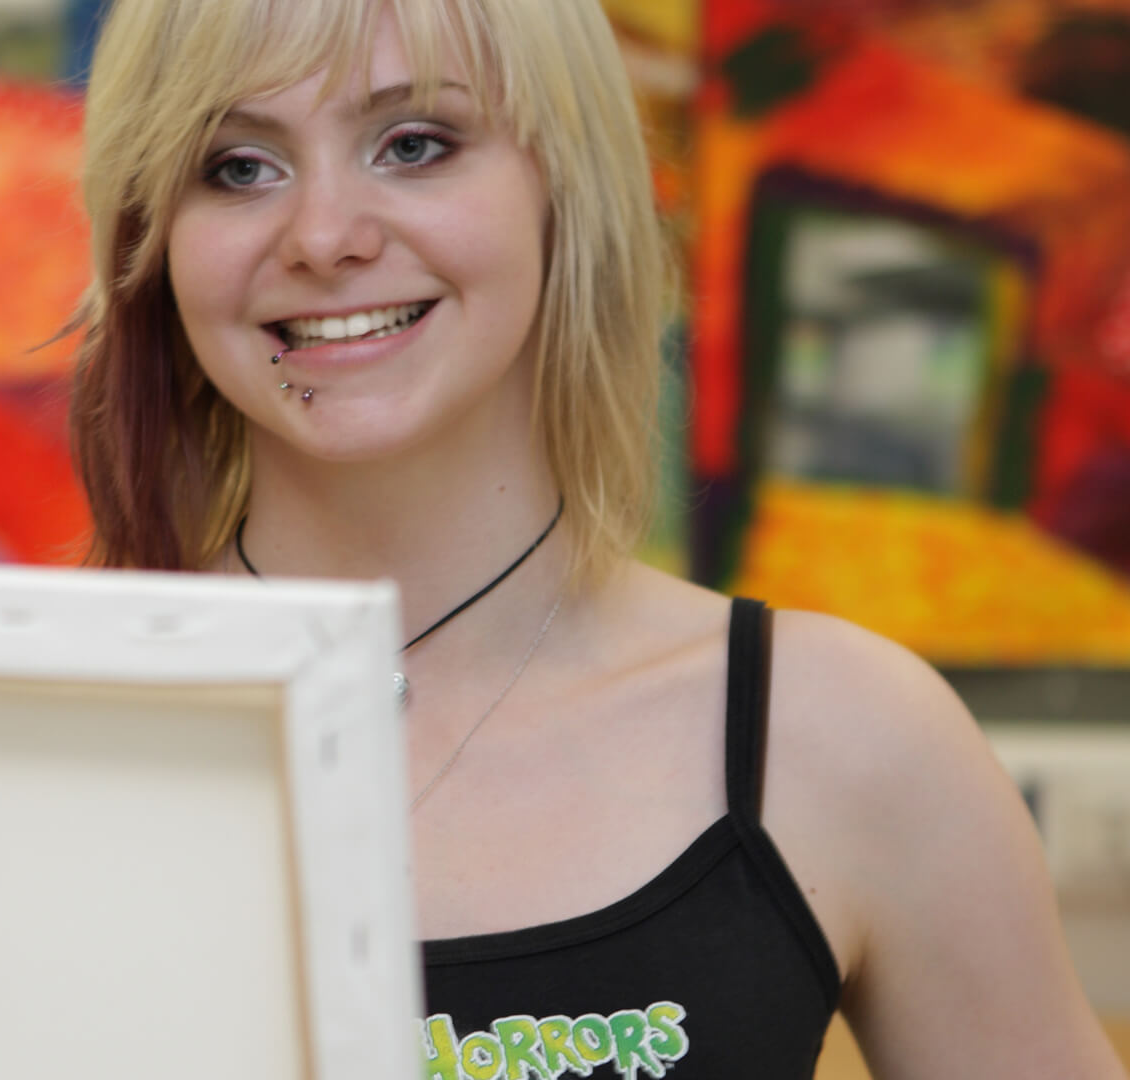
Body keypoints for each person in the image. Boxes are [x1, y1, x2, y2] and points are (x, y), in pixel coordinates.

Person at [65, 0, 1128, 1076]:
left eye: (415, 145)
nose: (325, 237)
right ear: (151, 240)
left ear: (561, 189)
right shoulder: (34, 733)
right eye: (238, 167)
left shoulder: (843, 735)